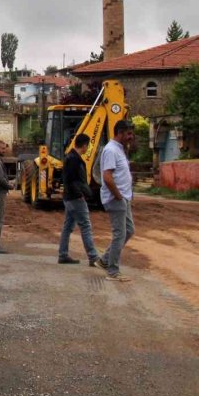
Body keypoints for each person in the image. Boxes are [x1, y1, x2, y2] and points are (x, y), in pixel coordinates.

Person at [95, 119, 135, 282]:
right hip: (116, 199)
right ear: (119, 133)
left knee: (129, 230)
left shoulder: (119, 150)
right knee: (119, 234)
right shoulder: (111, 150)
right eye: (129, 133)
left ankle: (105, 260)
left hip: (123, 198)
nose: (131, 137)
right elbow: (107, 177)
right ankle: (113, 271)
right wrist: (118, 196)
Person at [57, 134, 101, 266]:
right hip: (75, 198)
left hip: (69, 198)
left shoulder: (70, 157)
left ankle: (63, 254)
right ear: (84, 145)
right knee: (85, 226)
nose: (88, 148)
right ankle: (93, 257)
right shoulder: (74, 160)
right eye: (88, 146)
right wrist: (80, 194)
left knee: (68, 227)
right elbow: (72, 180)